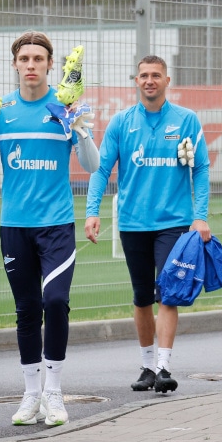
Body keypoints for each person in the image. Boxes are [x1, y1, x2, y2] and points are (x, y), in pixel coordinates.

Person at [0, 31, 99, 427]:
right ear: (15, 64)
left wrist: (79, 126)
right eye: (24, 58)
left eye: (38, 59)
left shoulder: (63, 107)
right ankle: (30, 395)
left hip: (57, 226)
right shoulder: (1, 110)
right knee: (27, 310)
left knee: (56, 302)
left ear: (49, 65)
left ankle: (55, 393)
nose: (31, 65)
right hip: (15, 228)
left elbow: (92, 164)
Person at [84, 55, 211, 395]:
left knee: (167, 293)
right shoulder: (121, 123)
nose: (150, 80)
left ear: (168, 81)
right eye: (144, 75)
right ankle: (146, 365)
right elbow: (100, 169)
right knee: (142, 297)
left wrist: (200, 216)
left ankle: (164, 366)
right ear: (136, 81)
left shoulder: (186, 120)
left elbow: (200, 169)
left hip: (174, 223)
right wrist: (92, 211)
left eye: (156, 75)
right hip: (133, 223)